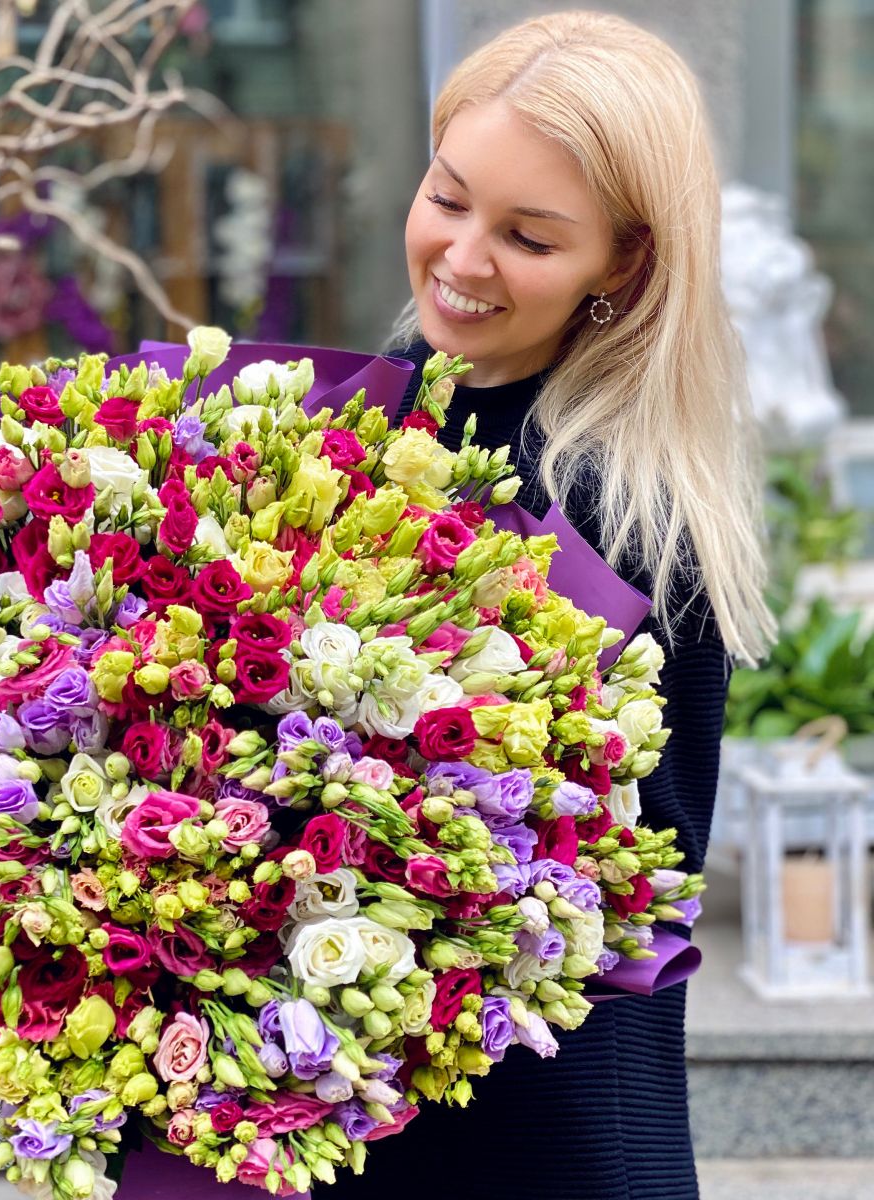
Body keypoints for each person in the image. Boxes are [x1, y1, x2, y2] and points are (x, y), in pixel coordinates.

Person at [326, 12, 775, 1200]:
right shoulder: (365, 431)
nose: (463, 258)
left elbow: (620, 899)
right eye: (448, 196)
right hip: (361, 1119)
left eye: (527, 235)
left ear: (622, 264)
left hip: (543, 1141)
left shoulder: (621, 516)